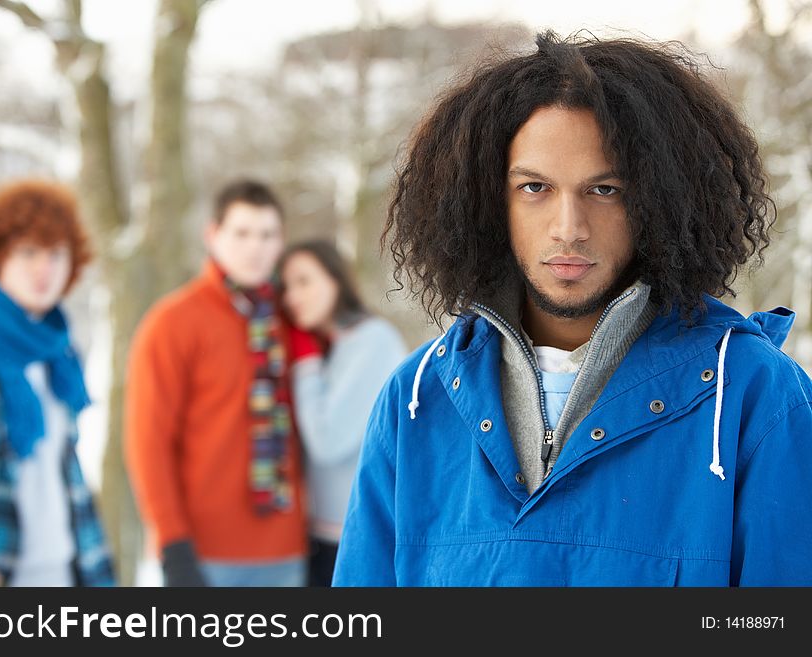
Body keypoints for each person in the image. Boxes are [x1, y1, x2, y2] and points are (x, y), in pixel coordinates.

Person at [332, 31, 812, 587]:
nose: (569, 229)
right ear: (489, 200)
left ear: (661, 198)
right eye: (534, 187)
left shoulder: (754, 396)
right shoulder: (415, 401)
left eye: (604, 190)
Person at [0, 179, 114, 587]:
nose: (44, 269)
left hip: (68, 568)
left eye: (56, 254)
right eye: (28, 252)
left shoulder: (58, 352)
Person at [125, 179, 307, 587]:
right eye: (241, 233)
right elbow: (148, 443)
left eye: (267, 234)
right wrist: (172, 544)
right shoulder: (173, 322)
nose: (255, 247)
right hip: (204, 555)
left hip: (288, 551)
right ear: (213, 236)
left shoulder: (293, 318)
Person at [278, 241, 406, 586]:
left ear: (335, 281)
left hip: (358, 542)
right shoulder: (336, 347)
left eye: (304, 282)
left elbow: (327, 441)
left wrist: (305, 362)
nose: (292, 297)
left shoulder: (371, 341)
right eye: (287, 287)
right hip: (323, 536)